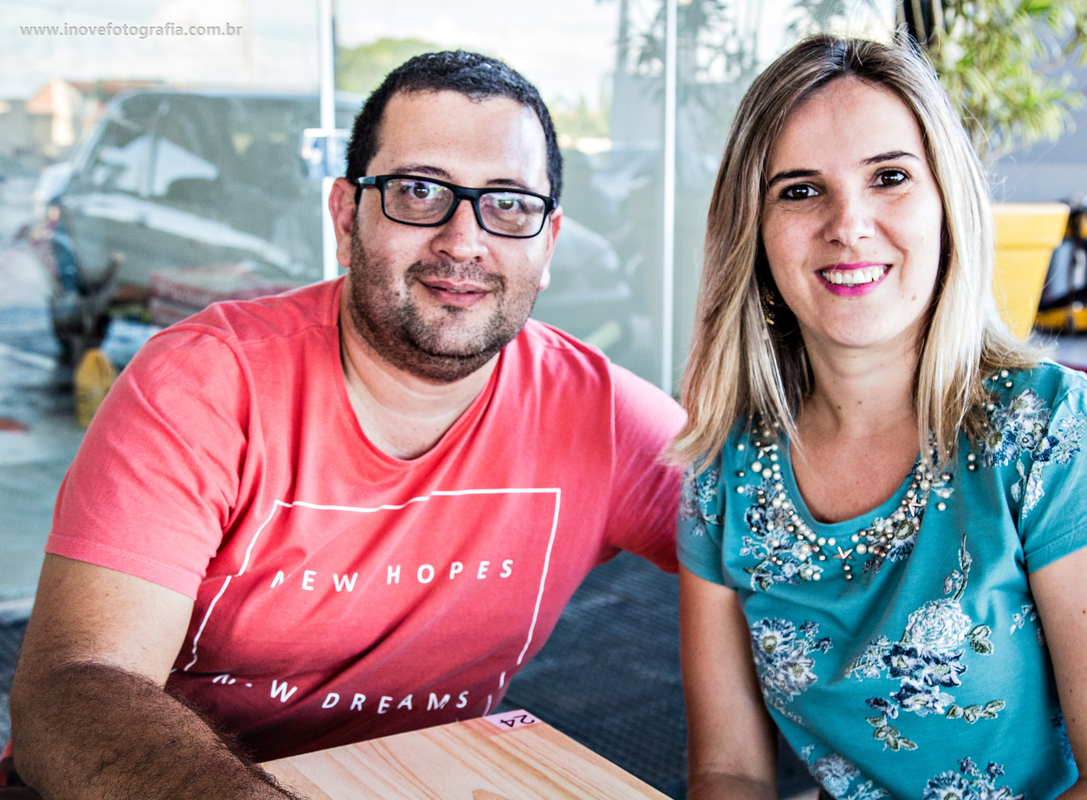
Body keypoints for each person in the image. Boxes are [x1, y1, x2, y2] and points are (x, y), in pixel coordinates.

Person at [5, 51, 685, 799]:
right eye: (418, 191)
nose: (464, 241)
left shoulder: (603, 417)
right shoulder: (204, 383)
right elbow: (72, 688)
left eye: (509, 204)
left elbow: (775, 557)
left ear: (547, 243)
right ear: (343, 216)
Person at [672, 35, 1087, 800]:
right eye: (800, 190)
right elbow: (728, 771)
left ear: (949, 204)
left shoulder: (1058, 434)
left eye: (889, 177)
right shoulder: (725, 467)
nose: (848, 223)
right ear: (752, 232)